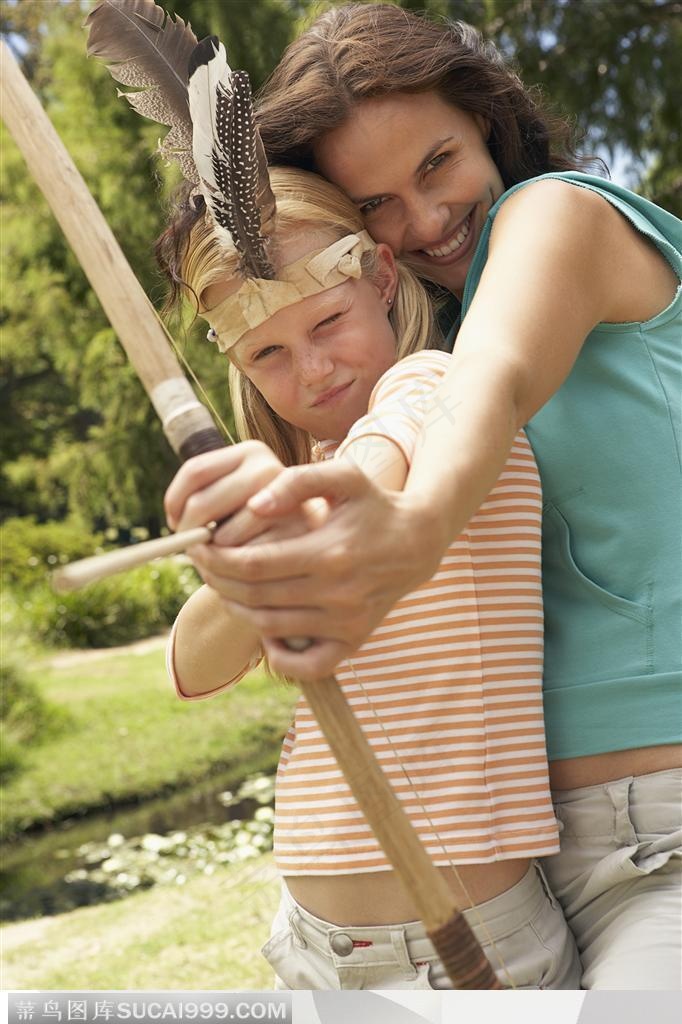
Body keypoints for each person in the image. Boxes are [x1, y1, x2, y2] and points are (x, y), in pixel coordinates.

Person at [164, 4, 681, 990]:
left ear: (487, 122)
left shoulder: (555, 216)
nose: (427, 216)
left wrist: (411, 524)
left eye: (437, 163)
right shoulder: (401, 349)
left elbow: (478, 392)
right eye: (379, 203)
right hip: (522, 865)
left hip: (661, 842)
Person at [162, 163, 581, 990]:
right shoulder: (311, 470)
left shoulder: (437, 389)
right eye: (268, 354)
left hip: (469, 943)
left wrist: (282, 531)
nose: (311, 371)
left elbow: (386, 458)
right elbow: (189, 667)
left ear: (382, 277)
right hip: (314, 941)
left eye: (326, 322)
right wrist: (240, 566)